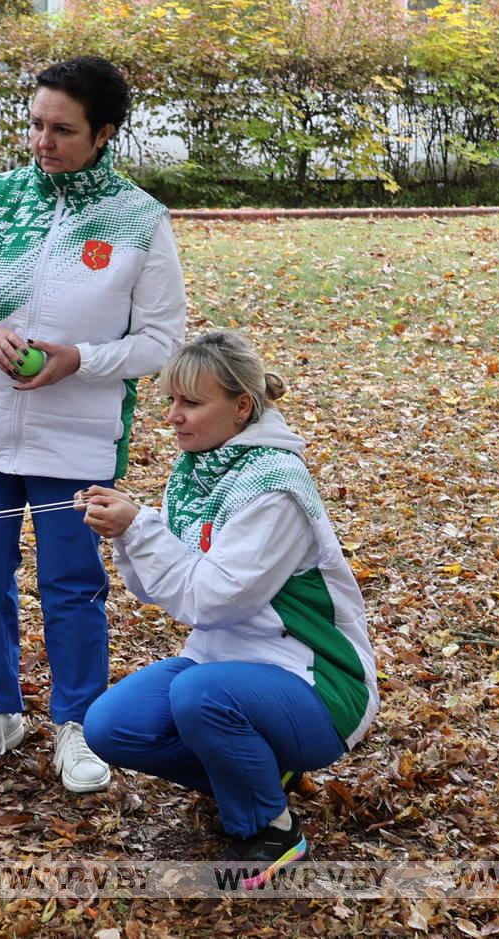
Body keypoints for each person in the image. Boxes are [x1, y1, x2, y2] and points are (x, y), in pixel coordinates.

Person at [0, 56, 186, 793]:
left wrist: (81, 359)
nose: (43, 140)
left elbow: (161, 339)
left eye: (63, 129)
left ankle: (80, 719)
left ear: (103, 133)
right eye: (36, 124)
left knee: (71, 582)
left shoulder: (137, 219)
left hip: (77, 436)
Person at [77, 331, 378, 882]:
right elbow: (158, 588)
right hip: (223, 666)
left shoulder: (275, 487)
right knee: (108, 726)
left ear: (242, 407)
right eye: (169, 401)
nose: (172, 417)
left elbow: (212, 599)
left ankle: (272, 830)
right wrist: (125, 532)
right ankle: (260, 776)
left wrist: (140, 527)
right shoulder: (198, 469)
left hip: (316, 682)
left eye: (191, 403)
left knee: (199, 695)